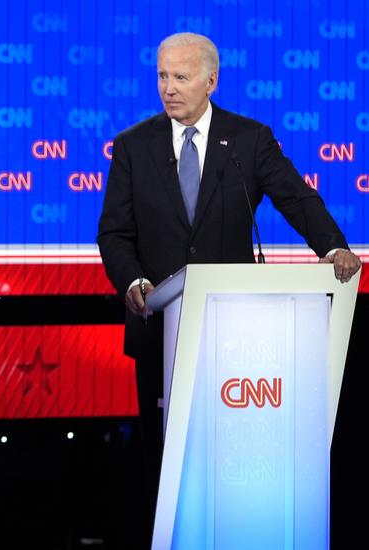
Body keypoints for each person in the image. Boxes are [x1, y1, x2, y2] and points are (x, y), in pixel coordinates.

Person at [96, 32, 361, 544]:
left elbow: (297, 200)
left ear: (211, 80)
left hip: (238, 338)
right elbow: (114, 232)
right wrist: (134, 281)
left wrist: (332, 248)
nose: (168, 88)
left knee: (230, 456)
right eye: (161, 76)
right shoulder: (134, 146)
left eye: (180, 77)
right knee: (163, 461)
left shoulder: (248, 141)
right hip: (160, 333)